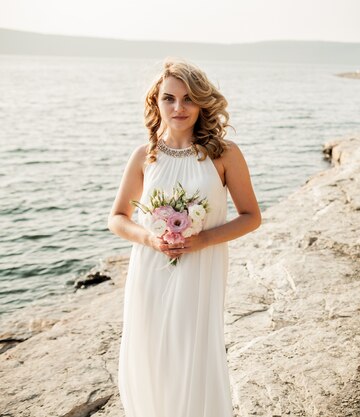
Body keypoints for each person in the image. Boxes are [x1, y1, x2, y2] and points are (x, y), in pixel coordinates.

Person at [107, 57, 262, 417]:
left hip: (200, 267)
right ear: (155, 103)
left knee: (192, 349)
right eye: (169, 98)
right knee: (151, 351)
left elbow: (251, 216)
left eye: (189, 99)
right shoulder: (144, 156)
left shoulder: (224, 154)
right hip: (149, 268)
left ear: (202, 103)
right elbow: (117, 218)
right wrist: (149, 239)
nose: (179, 107)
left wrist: (202, 240)